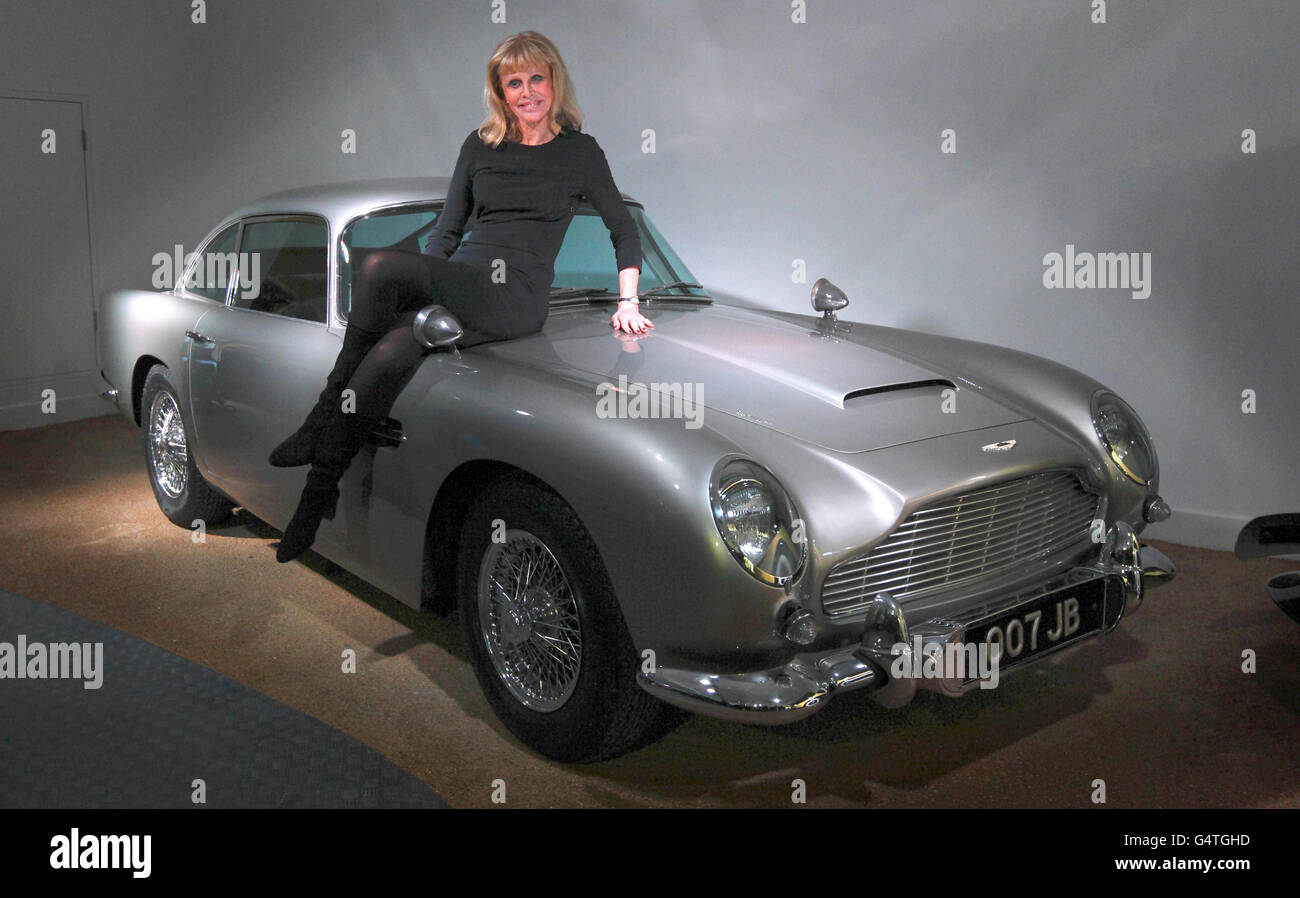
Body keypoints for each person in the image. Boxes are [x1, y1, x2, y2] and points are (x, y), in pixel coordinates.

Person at [271, 30, 652, 563]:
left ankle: (319, 421)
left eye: (536, 78)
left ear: (554, 80)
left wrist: (627, 302)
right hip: (465, 283)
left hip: (515, 296)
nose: (526, 92)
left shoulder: (580, 153)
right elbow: (447, 233)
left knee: (379, 265)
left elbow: (623, 230)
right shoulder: (480, 145)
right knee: (389, 353)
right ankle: (318, 494)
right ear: (500, 92)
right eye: (513, 83)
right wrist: (430, 293)